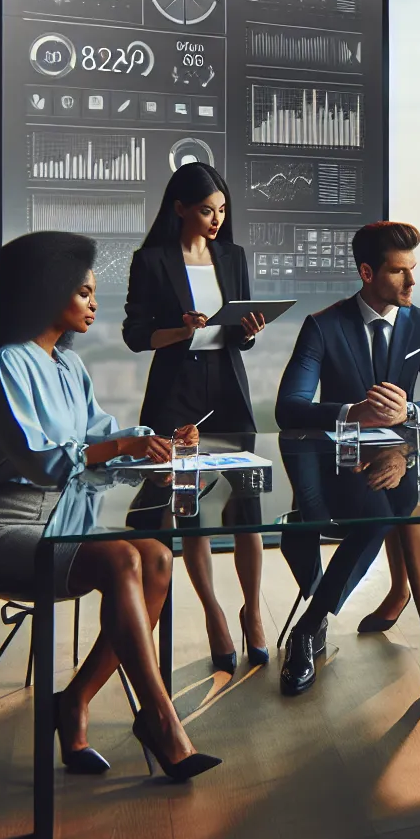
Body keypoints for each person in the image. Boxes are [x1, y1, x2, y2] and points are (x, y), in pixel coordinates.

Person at [0, 231, 219, 782]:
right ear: (45, 293)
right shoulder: (7, 364)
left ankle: (73, 701)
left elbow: (101, 444)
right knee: (122, 558)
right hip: (0, 527)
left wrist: (158, 441)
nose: (94, 305)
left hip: (64, 521)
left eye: (95, 294)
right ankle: (160, 718)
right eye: (84, 294)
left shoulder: (69, 368)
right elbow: (43, 462)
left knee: (156, 556)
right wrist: (120, 446)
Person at [275, 221, 420, 699]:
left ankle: (314, 627)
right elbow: (289, 408)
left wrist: (410, 413)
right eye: (399, 272)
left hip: (408, 456)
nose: (412, 282)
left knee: (407, 497)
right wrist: (349, 413)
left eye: (413, 270)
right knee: (384, 514)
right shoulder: (324, 325)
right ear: (366, 271)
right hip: (344, 462)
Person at [123, 162, 271, 676]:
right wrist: (178, 329)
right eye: (207, 209)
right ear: (180, 207)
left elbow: (241, 334)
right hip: (175, 397)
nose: (216, 219)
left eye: (223, 210)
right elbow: (136, 334)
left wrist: (249, 328)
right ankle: (214, 615)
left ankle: (253, 611)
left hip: (228, 389)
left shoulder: (233, 256)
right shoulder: (152, 260)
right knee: (190, 511)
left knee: (245, 506)